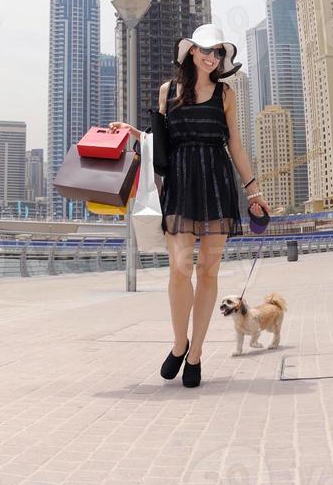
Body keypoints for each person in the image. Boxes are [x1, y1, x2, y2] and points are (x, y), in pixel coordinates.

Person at [110, 23, 270, 387]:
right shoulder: (169, 91)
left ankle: (196, 353)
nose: (211, 57)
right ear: (191, 52)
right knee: (180, 269)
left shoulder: (226, 94)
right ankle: (179, 343)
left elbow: (236, 146)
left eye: (217, 52)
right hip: (181, 184)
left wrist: (254, 192)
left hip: (216, 182)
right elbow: (161, 143)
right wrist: (135, 135)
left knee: (209, 273)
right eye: (205, 50)